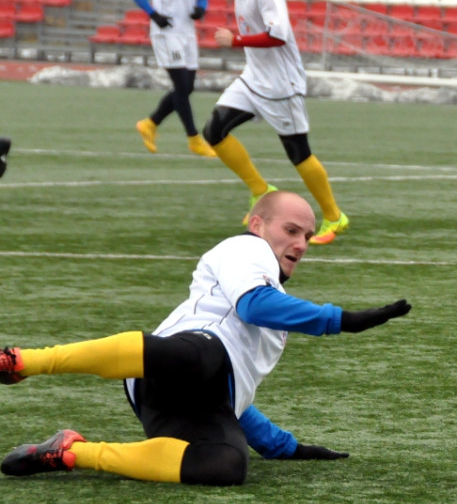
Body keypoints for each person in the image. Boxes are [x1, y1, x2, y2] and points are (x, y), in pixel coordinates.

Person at [0, 191, 412, 485]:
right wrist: (342, 320)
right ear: (257, 224)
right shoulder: (247, 249)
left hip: (185, 399)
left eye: (307, 236)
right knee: (204, 357)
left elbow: (238, 397)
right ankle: (22, 362)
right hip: (170, 364)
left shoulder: (278, 303)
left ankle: (72, 453)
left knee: (226, 466)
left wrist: (283, 446)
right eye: (292, 230)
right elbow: (252, 305)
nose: (302, 244)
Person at [206, 0, 349, 245]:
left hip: (281, 85)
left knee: (299, 154)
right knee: (215, 130)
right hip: (254, 78)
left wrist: (236, 39)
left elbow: (277, 35)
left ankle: (334, 216)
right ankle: (260, 189)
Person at [131, 0, 217, 158]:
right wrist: (153, 14)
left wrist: (200, 9)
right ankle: (194, 139)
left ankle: (150, 124)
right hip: (166, 33)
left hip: (187, 33)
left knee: (187, 88)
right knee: (181, 86)